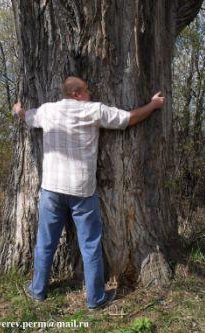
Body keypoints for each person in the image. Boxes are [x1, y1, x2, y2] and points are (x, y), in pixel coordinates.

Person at [13, 76, 165, 310]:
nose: (90, 93)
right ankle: (95, 299)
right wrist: (153, 106)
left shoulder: (48, 111)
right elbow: (128, 118)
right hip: (81, 191)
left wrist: (19, 110)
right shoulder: (92, 111)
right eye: (86, 90)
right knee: (90, 245)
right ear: (76, 94)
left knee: (45, 242)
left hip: (52, 189)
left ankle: (38, 290)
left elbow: (28, 117)